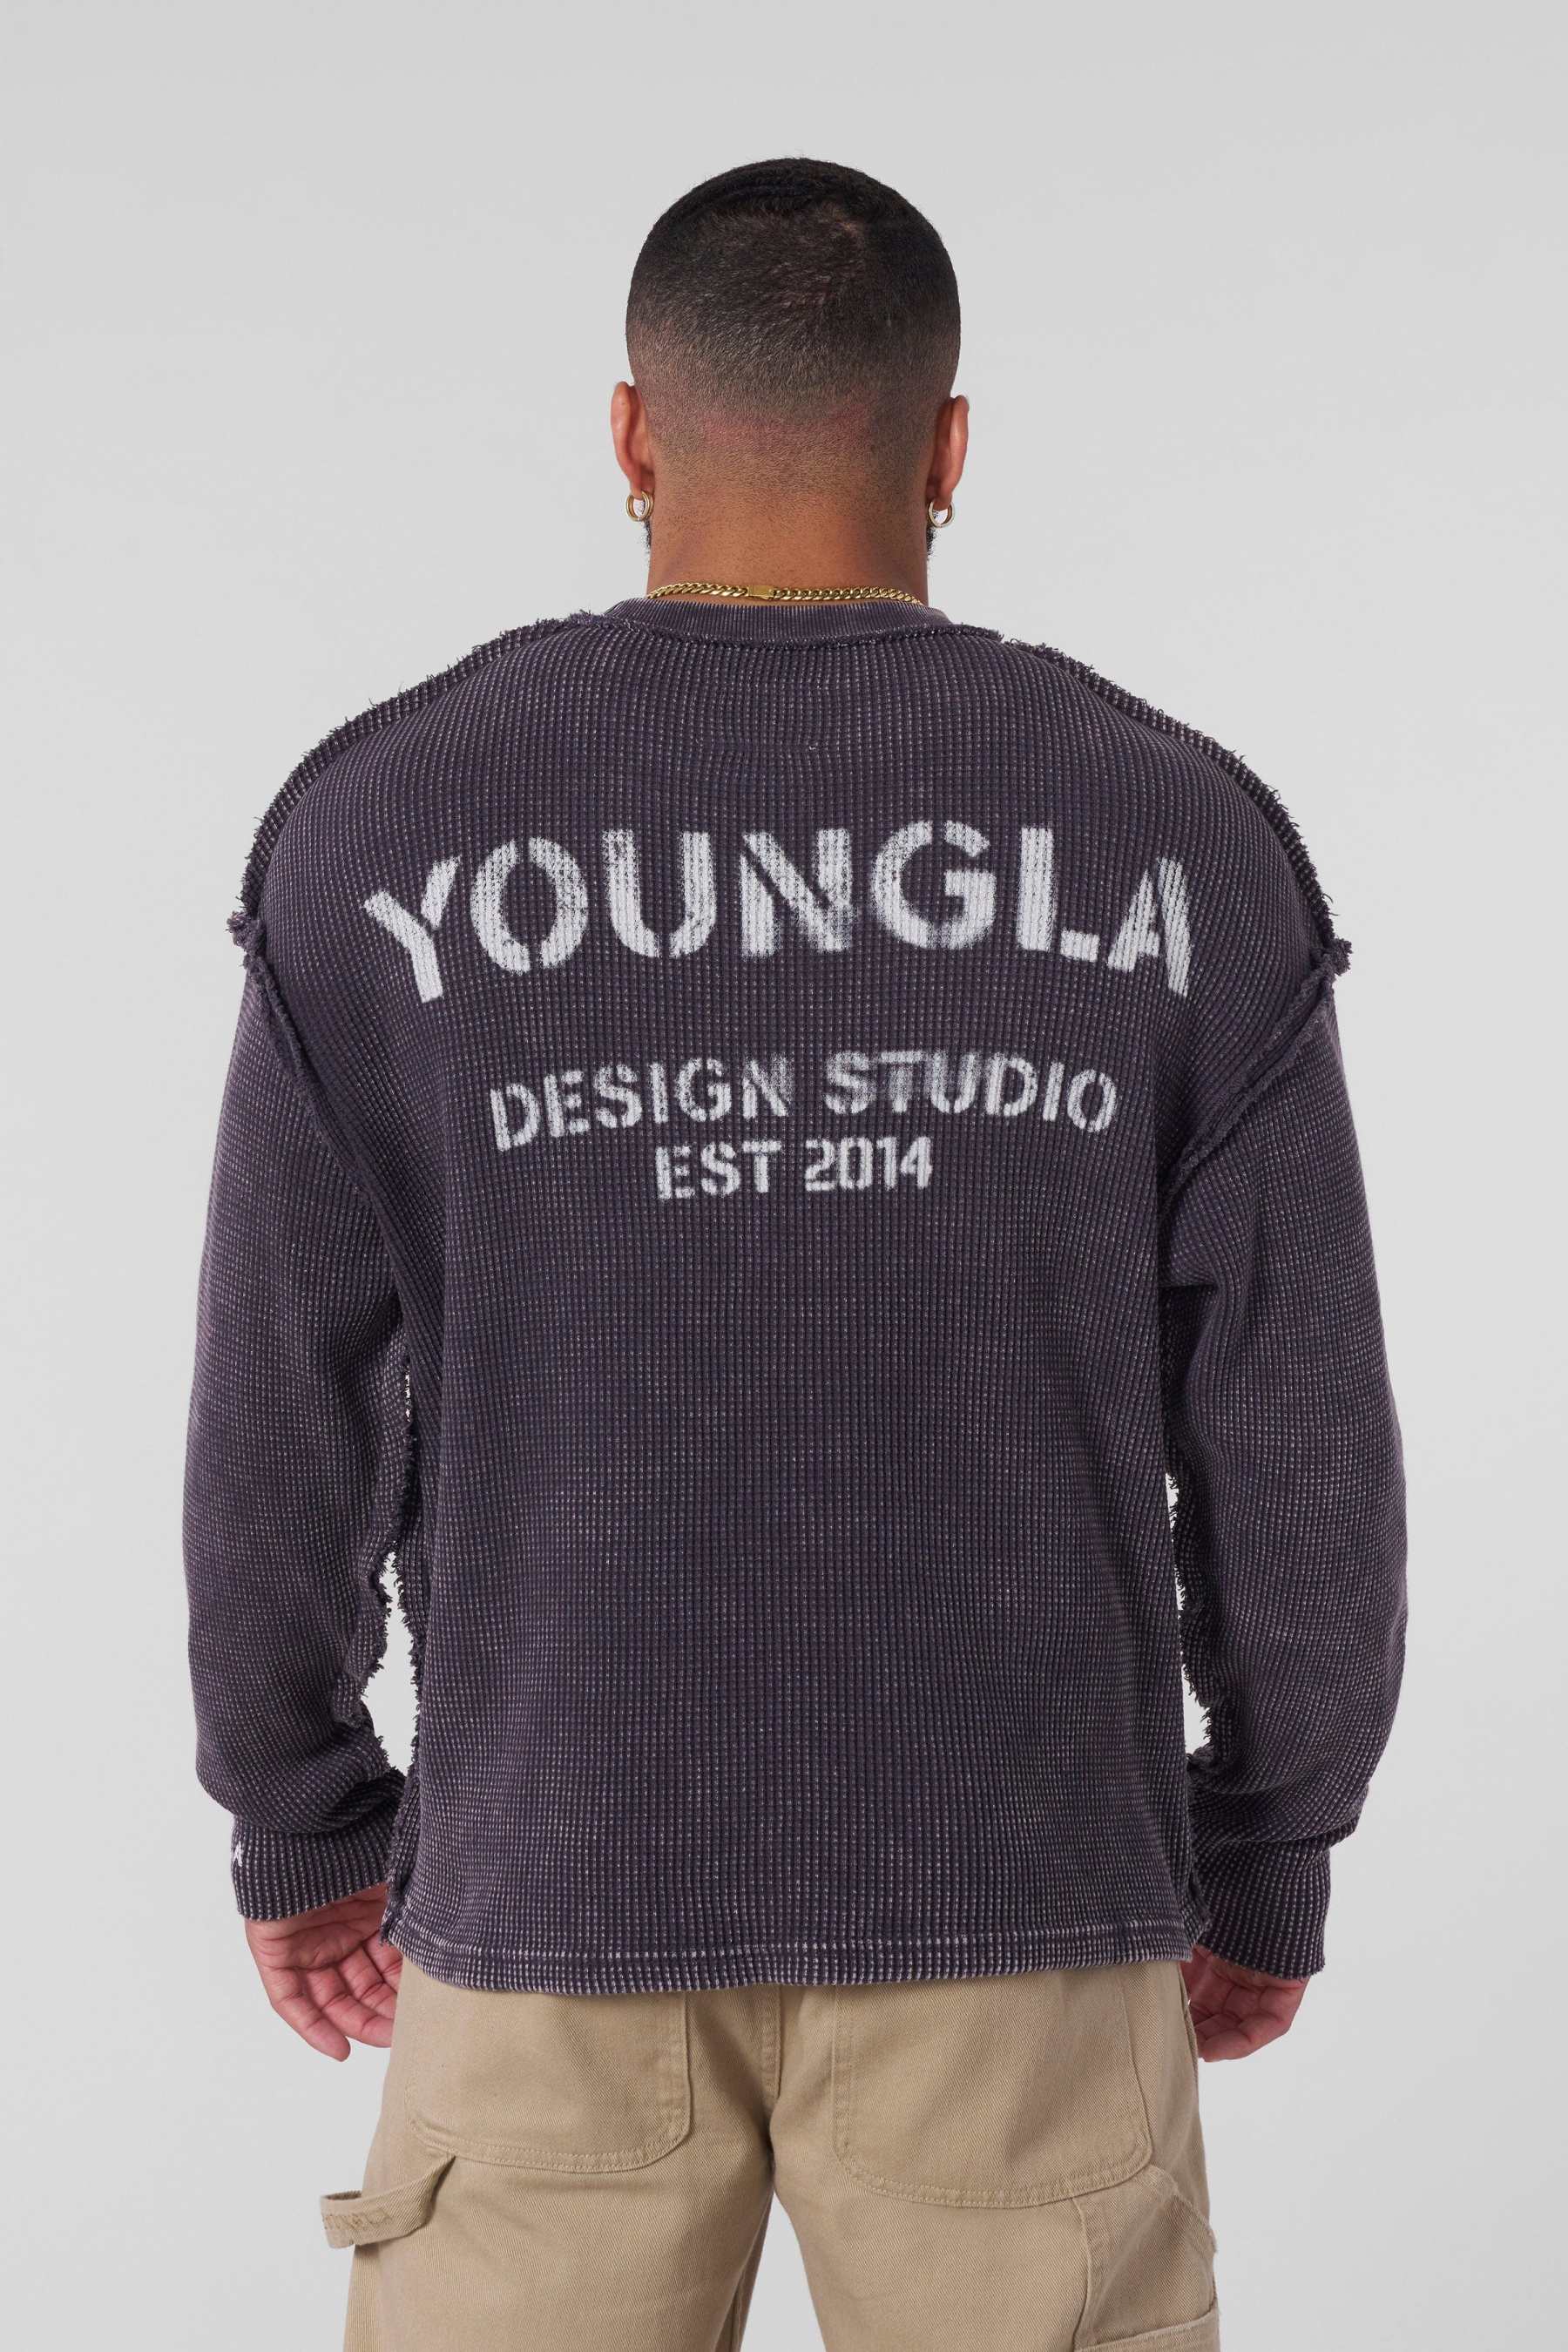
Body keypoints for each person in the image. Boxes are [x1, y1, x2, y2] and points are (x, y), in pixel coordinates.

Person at [183, 158, 1407, 2351]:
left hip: (553, 1880)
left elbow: (284, 1386)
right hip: (1024, 1890)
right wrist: (1267, 1839)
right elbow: (1295, 1421)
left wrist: (303, 1813)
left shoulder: (384, 830)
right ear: (949, 448)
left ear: (631, 433)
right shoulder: (1173, 834)